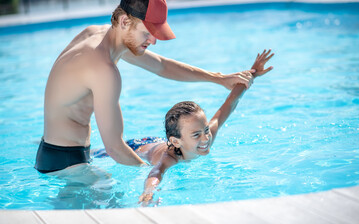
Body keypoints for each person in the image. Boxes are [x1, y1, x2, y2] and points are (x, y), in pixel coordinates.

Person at [34, 0, 256, 174]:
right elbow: (115, 149)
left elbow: (162, 66)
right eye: (147, 32)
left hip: (58, 152)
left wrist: (219, 79)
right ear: (124, 21)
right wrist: (156, 174)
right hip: (65, 163)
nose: (154, 40)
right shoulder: (103, 69)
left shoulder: (99, 34)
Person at [92, 49, 274, 205]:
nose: (205, 138)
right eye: (196, 135)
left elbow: (229, 104)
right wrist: (149, 192)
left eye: (206, 130)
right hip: (137, 147)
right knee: (93, 156)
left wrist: (253, 74)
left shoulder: (204, 136)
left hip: (159, 141)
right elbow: (155, 173)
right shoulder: (170, 158)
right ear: (176, 142)